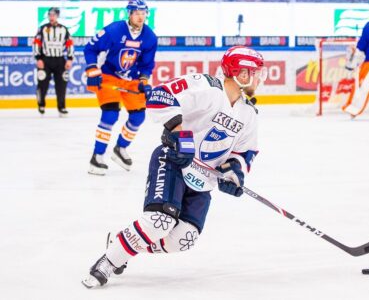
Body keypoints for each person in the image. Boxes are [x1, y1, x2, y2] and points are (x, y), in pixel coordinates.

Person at [81, 46, 264, 288]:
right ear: (242, 74)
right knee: (159, 221)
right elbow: (160, 95)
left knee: (184, 239)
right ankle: (107, 261)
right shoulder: (206, 86)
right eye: (257, 72)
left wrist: (234, 172)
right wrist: (180, 136)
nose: (260, 77)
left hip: (203, 178)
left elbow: (244, 151)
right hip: (173, 162)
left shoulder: (248, 113)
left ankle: (120, 245)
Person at [84, 0, 157, 175]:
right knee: (110, 114)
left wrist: (144, 81)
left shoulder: (150, 37)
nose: (140, 17)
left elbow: (146, 65)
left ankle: (120, 148)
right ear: (130, 14)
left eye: (143, 13)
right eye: (137, 13)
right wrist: (92, 69)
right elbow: (90, 49)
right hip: (109, 77)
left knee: (138, 117)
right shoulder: (114, 30)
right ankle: (97, 156)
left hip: (130, 79)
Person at [33, 7, 74, 117]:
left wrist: (69, 59)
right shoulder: (42, 29)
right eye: (50, 15)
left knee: (61, 85)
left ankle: (62, 107)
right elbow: (36, 43)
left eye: (53, 15)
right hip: (45, 60)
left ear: (57, 16)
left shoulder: (64, 29)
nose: (51, 17)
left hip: (60, 60)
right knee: (42, 84)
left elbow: (69, 44)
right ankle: (41, 104)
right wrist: (38, 58)